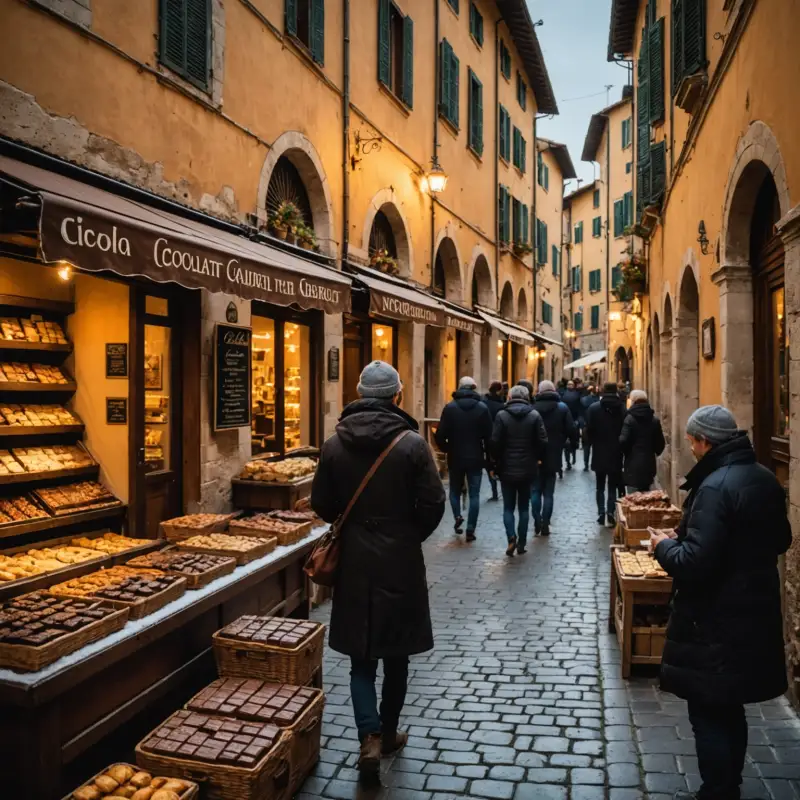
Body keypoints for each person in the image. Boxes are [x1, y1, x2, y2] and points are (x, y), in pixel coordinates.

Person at [310, 361, 446, 779]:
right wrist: (406, 535)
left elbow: (321, 503)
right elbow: (434, 503)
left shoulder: (334, 444)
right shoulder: (412, 443)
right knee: (397, 656)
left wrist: (353, 527)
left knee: (360, 660)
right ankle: (387, 732)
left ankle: (367, 736)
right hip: (399, 560)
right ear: (396, 396)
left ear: (360, 394)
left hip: (354, 560)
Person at [651, 406, 791, 800]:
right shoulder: (763, 477)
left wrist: (663, 547)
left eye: (692, 440)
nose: (690, 447)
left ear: (704, 441)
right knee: (731, 705)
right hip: (753, 613)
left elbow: (694, 563)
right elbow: (782, 540)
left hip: (713, 619)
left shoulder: (714, 487)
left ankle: (718, 790)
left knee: (709, 711)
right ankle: (730, 783)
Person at [490, 385, 547, 556]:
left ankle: (511, 537)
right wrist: (538, 457)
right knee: (523, 507)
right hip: (528, 468)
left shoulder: (501, 415)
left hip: (506, 468)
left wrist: (495, 462)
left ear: (509, 397)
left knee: (508, 507)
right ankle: (522, 543)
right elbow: (543, 441)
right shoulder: (534, 415)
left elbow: (494, 442)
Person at [435, 376, 492, 542]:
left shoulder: (450, 408)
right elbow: (489, 436)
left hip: (456, 455)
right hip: (475, 456)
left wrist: (446, 448)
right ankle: (471, 529)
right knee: (474, 494)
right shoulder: (482, 408)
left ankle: (458, 517)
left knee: (454, 491)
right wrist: (488, 457)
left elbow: (440, 435)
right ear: (473, 388)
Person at [531, 380, 576, 536]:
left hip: (535, 454)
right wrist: (570, 444)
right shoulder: (562, 408)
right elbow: (571, 429)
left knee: (535, 490)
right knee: (548, 493)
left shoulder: (532, 409)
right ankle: (545, 523)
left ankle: (536, 519)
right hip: (554, 453)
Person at [585, 382, 625, 526]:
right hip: (616, 451)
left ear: (602, 390)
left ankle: (601, 512)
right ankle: (610, 511)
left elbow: (588, 429)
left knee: (600, 485)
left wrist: (591, 443)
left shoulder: (594, 408)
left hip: (599, 450)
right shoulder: (621, 408)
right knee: (613, 485)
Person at [619, 389, 665, 493]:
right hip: (649, 464)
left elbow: (623, 441)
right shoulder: (654, 420)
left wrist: (627, 452)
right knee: (646, 497)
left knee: (632, 499)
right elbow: (660, 445)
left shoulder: (629, 419)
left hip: (632, 464)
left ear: (633, 401)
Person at [483, 381, 505, 501]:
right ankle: (502, 488)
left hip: (487, 437)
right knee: (499, 463)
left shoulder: (484, 403)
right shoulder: (501, 406)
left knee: (489, 465)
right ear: (498, 391)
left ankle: (494, 491)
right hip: (498, 438)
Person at [561, 380, 583, 470]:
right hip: (571, 421)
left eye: (571, 384)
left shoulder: (564, 394)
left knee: (570, 442)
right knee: (571, 442)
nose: (570, 386)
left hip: (570, 421)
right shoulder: (576, 395)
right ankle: (569, 460)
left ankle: (570, 459)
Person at [580, 385, 600, 471]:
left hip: (586, 426)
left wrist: (581, 425)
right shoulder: (600, 401)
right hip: (597, 426)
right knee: (596, 447)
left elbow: (580, 414)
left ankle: (586, 464)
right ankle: (594, 463)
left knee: (586, 447)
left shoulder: (583, 400)